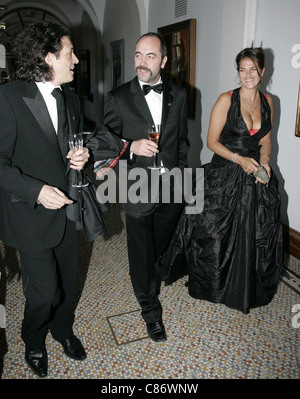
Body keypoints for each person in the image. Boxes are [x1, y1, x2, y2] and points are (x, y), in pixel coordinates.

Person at [0, 21, 123, 378]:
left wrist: (80, 155)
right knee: (43, 293)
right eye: (70, 53)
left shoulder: (70, 97)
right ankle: (33, 339)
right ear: (48, 56)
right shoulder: (8, 98)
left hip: (69, 206)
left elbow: (69, 144)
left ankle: (63, 329)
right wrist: (36, 190)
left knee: (68, 281)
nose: (76, 61)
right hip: (30, 212)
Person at [162, 47, 283, 314]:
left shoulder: (268, 101)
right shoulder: (226, 100)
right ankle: (213, 283)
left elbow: (265, 139)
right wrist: (239, 159)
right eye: (243, 69)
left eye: (253, 69)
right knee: (214, 234)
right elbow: (211, 142)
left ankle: (244, 285)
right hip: (224, 171)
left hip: (254, 173)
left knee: (254, 232)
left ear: (262, 72)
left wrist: (264, 161)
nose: (248, 74)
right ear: (237, 72)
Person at [104, 33, 189, 341]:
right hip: (136, 184)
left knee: (154, 246)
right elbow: (105, 143)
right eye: (138, 55)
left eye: (150, 56)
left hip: (170, 185)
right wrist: (130, 147)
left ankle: (145, 268)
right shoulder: (118, 97)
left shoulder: (178, 95)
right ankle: (150, 310)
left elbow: (181, 140)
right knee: (141, 252)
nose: (141, 62)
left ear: (164, 61)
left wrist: (179, 173)